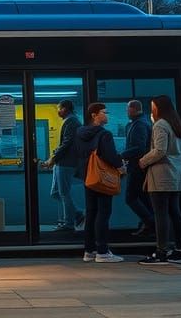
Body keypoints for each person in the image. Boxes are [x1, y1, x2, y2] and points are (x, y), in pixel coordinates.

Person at [138, 94, 181, 265]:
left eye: (153, 107)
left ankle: (161, 252)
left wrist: (143, 161)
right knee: (175, 212)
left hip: (161, 176)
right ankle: (179, 251)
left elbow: (160, 150)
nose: (152, 111)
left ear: (160, 108)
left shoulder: (160, 125)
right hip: (176, 175)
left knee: (161, 215)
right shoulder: (176, 125)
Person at [73, 103, 124, 263]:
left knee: (91, 213)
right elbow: (109, 155)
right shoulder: (104, 134)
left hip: (88, 176)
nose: (107, 115)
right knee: (103, 212)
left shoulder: (80, 133)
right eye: (104, 112)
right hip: (102, 177)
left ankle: (89, 251)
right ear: (94, 115)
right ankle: (102, 251)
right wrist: (121, 166)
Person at [41, 100, 84, 231]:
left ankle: (68, 223)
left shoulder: (72, 122)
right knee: (55, 193)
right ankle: (77, 213)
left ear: (65, 109)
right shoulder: (69, 121)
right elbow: (64, 144)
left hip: (66, 163)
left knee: (64, 193)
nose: (58, 111)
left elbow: (66, 144)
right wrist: (53, 159)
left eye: (59, 108)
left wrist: (53, 158)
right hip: (61, 162)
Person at [120, 99, 154, 237]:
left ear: (133, 109)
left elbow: (139, 148)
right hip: (139, 167)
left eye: (127, 109)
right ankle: (148, 225)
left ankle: (151, 223)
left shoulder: (139, 125)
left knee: (131, 197)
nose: (126, 112)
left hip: (137, 167)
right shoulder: (141, 123)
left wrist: (121, 155)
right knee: (143, 198)